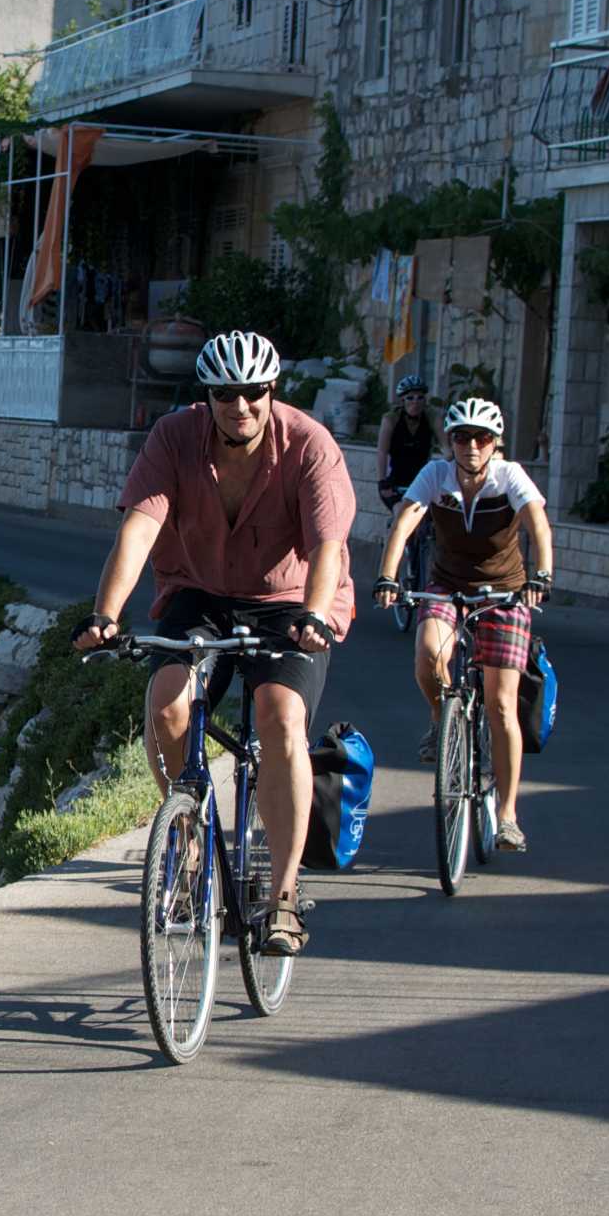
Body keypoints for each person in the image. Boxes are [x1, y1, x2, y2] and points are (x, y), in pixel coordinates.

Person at [73, 330, 355, 955]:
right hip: (198, 594)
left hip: (290, 600)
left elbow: (327, 547)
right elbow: (140, 529)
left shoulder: (310, 445)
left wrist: (313, 615)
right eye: (227, 394)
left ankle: (283, 897)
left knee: (279, 718)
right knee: (168, 703)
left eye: (254, 392)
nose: (242, 406)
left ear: (271, 390)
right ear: (208, 396)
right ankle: (190, 836)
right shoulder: (174, 438)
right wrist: (106, 615)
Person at [372, 397, 553, 850]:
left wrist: (542, 575)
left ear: (496, 444)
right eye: (462, 437)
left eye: (482, 438)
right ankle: (441, 716)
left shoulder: (509, 476)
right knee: (430, 656)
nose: (471, 446)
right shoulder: (437, 474)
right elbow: (406, 520)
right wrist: (388, 576)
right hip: (447, 586)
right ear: (449, 442)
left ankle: (508, 814)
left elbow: (537, 523)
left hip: (505, 593)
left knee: (502, 705)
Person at [375, 374, 435, 514]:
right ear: (402, 400)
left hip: (421, 481)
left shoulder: (431, 416)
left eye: (420, 397)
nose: (416, 402)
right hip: (395, 482)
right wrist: (382, 482)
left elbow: (447, 449)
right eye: (410, 398)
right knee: (401, 515)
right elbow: (382, 452)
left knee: (429, 522)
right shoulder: (391, 419)